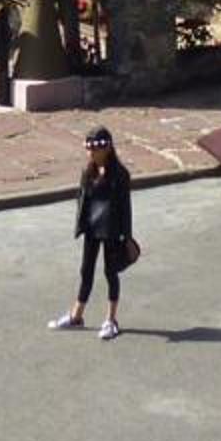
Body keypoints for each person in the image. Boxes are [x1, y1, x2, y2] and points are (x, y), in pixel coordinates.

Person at [49, 125, 135, 340]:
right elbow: (82, 200)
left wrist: (127, 236)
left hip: (112, 230)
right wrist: (81, 224)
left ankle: (111, 320)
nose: (90, 153)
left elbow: (126, 208)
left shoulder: (120, 175)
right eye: (88, 149)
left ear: (107, 149)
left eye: (94, 149)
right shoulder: (88, 172)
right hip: (92, 229)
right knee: (86, 271)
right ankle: (76, 316)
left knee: (110, 273)